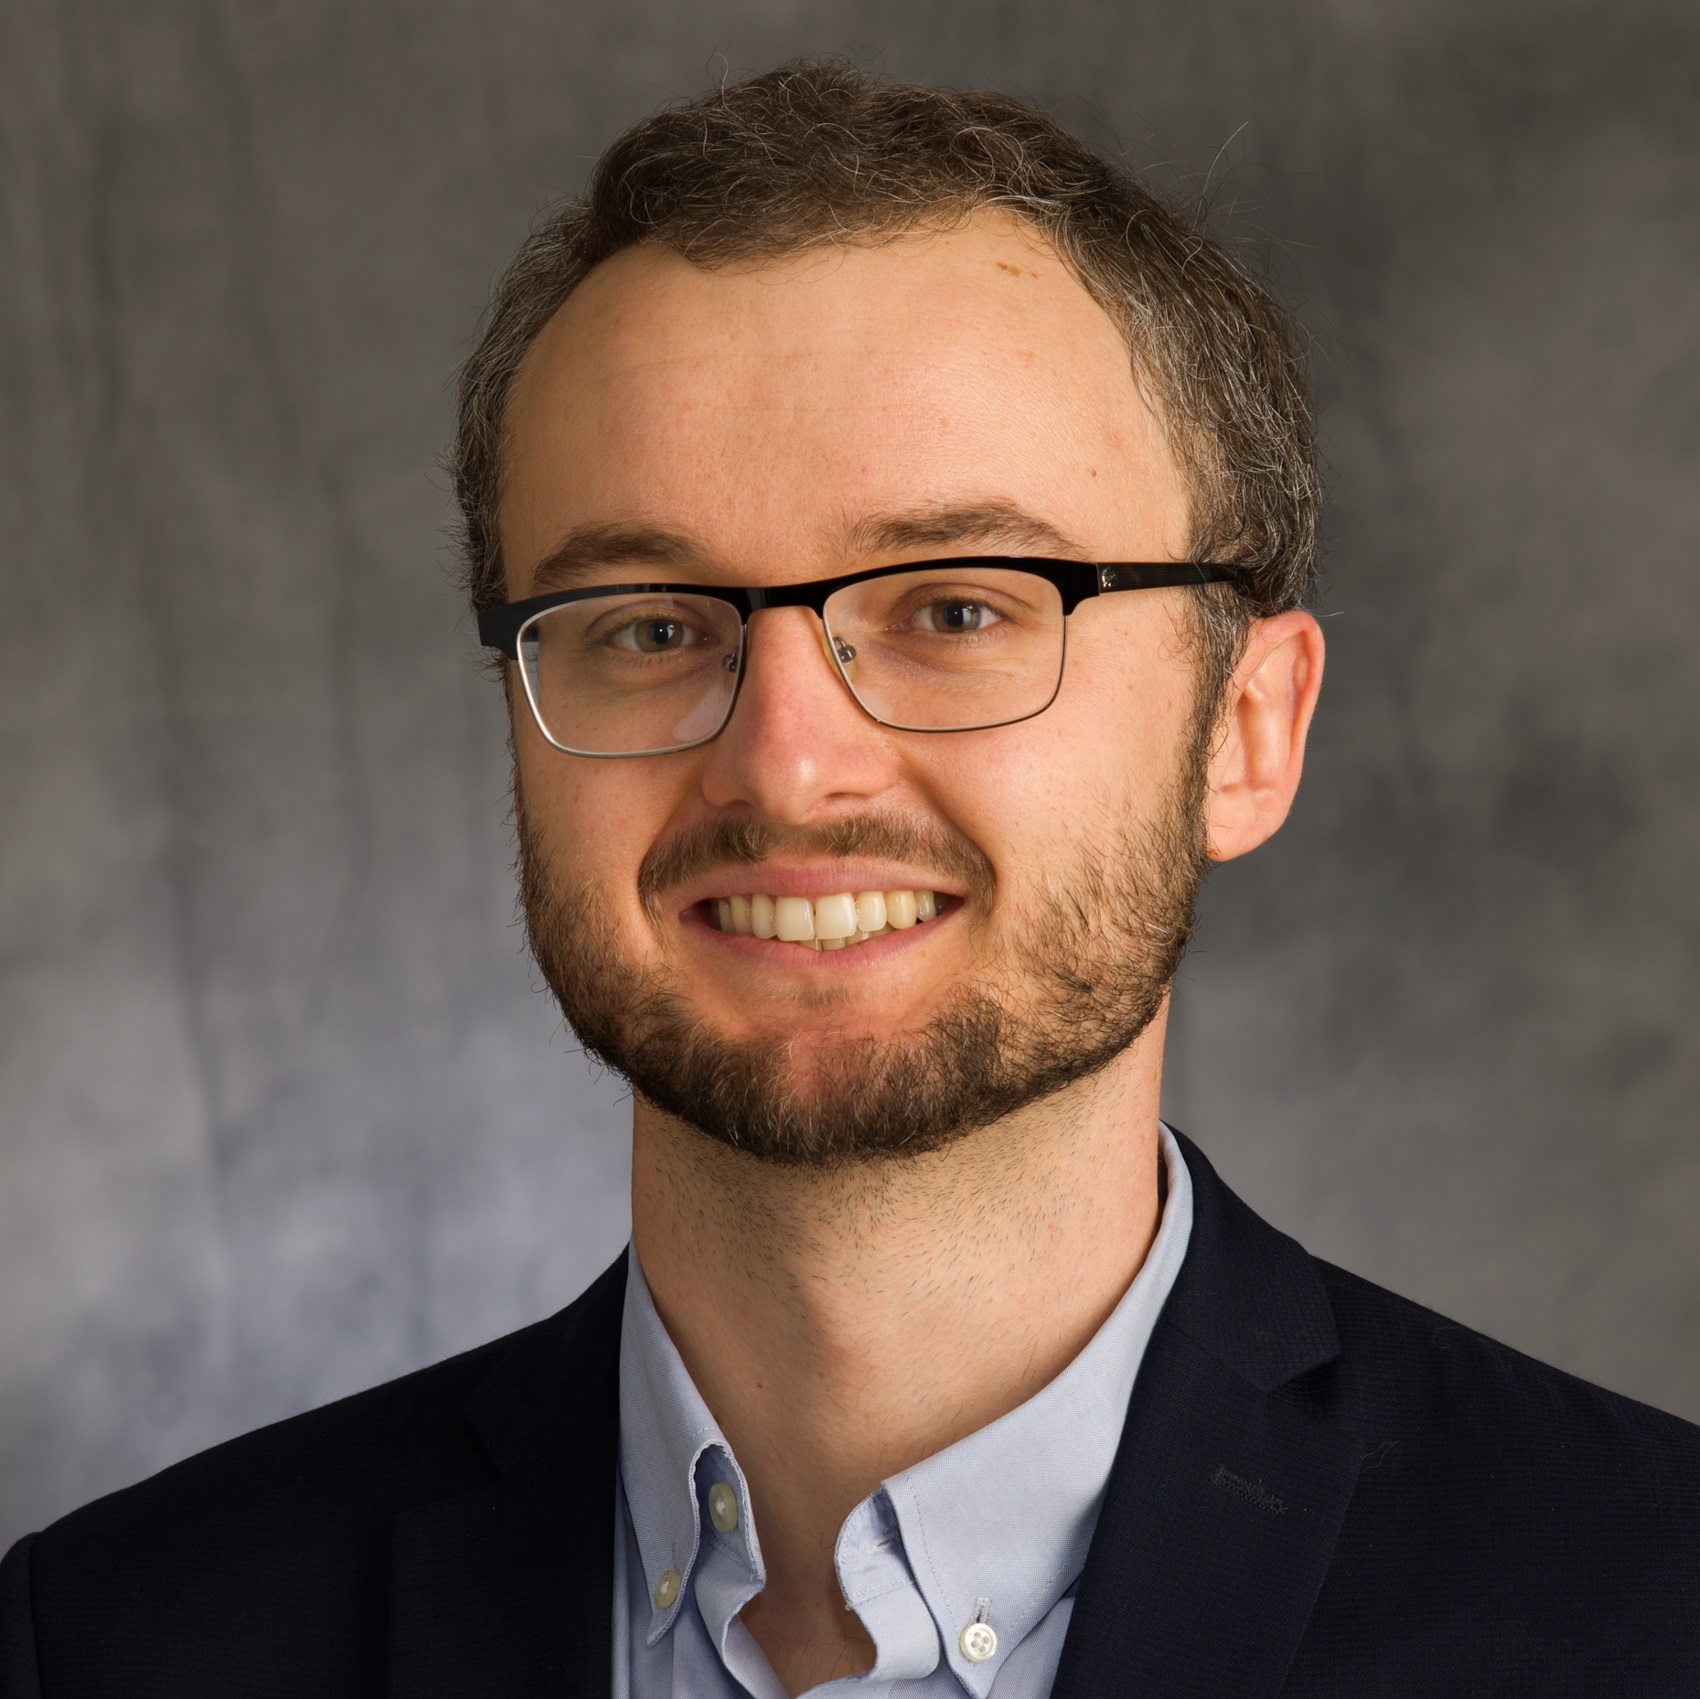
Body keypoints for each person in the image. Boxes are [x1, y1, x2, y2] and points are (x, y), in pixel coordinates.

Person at [3, 59, 1697, 1699]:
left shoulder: (1651, 1604)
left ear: (1246, 731)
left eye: (959, 607)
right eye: (650, 628)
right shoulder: (117, 1640)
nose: (788, 762)